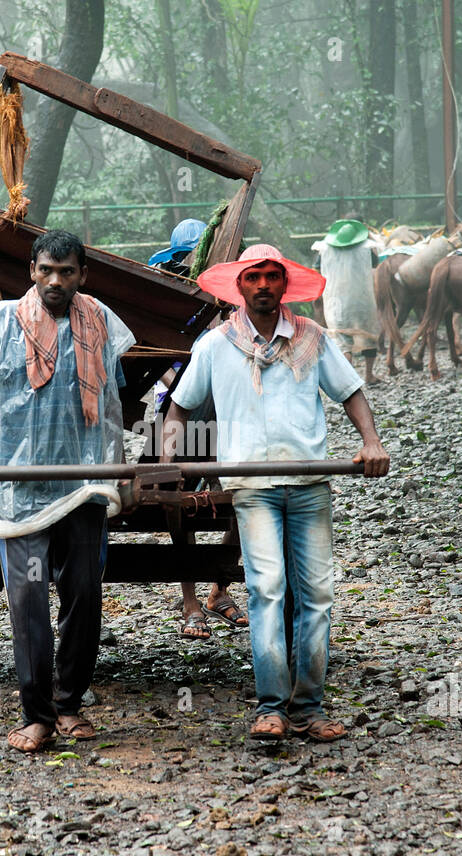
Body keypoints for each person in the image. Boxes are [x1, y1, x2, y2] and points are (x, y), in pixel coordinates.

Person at [0, 230, 135, 753]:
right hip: (16, 493)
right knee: (29, 598)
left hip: (83, 487)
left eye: (66, 272)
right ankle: (36, 713)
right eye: (46, 270)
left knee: (84, 594)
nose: (55, 281)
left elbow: (114, 402)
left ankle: (69, 704)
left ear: (83, 274)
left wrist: (123, 466)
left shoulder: (101, 321)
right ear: (32, 271)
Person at [164, 244, 390, 742]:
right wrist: (170, 465)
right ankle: (271, 707)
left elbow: (350, 391)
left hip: (309, 484)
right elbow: (179, 408)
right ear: (239, 287)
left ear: (284, 285)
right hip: (253, 487)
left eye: (272, 276)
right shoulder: (216, 345)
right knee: (267, 590)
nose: (264, 284)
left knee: (316, 596)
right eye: (254, 277)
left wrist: (371, 442)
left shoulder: (312, 338)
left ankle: (308, 707)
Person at [146, 218, 247, 639]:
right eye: (184, 263)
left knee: (247, 492)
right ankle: (190, 601)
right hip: (172, 408)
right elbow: (148, 365)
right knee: (175, 499)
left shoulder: (232, 301)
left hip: (229, 409)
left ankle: (218, 589)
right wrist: (180, 385)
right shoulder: (164, 299)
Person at [311, 218, 381, 385]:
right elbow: (376, 263)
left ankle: (349, 378)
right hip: (362, 299)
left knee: (342, 340)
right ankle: (369, 375)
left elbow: (315, 269)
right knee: (369, 335)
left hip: (336, 300)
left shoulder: (324, 249)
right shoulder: (366, 248)